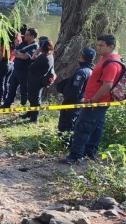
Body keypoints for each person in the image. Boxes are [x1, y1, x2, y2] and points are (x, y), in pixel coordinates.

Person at [60, 34, 124, 164]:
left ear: (110, 47)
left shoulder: (111, 63)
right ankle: (89, 152)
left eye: (101, 45)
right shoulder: (106, 59)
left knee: (82, 126)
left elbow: (107, 85)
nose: (98, 48)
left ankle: (75, 156)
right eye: (97, 44)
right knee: (96, 128)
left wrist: (93, 100)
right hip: (98, 102)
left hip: (96, 103)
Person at [57, 48, 95, 146]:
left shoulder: (82, 72)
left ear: (83, 57)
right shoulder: (91, 70)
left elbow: (76, 90)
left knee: (67, 124)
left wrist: (67, 103)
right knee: (74, 123)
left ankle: (65, 145)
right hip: (81, 101)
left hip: (73, 103)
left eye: (80, 55)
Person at [0, 28, 39, 108]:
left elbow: (25, 57)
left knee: (24, 90)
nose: (25, 36)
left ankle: (23, 105)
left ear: (33, 36)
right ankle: (7, 104)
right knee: (12, 87)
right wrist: (20, 54)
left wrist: (19, 54)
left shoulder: (35, 46)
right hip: (16, 69)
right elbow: (14, 51)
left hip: (24, 71)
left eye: (27, 35)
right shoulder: (24, 43)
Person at [23, 40, 55, 122]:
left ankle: (34, 118)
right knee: (32, 97)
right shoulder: (50, 56)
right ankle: (30, 113)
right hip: (40, 79)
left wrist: (33, 57)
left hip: (36, 80)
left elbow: (30, 67)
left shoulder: (43, 57)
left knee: (35, 99)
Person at [0, 32, 21, 105]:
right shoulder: (17, 43)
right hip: (11, 63)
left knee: (0, 83)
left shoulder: (6, 45)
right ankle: (5, 97)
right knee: (6, 82)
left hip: (3, 64)